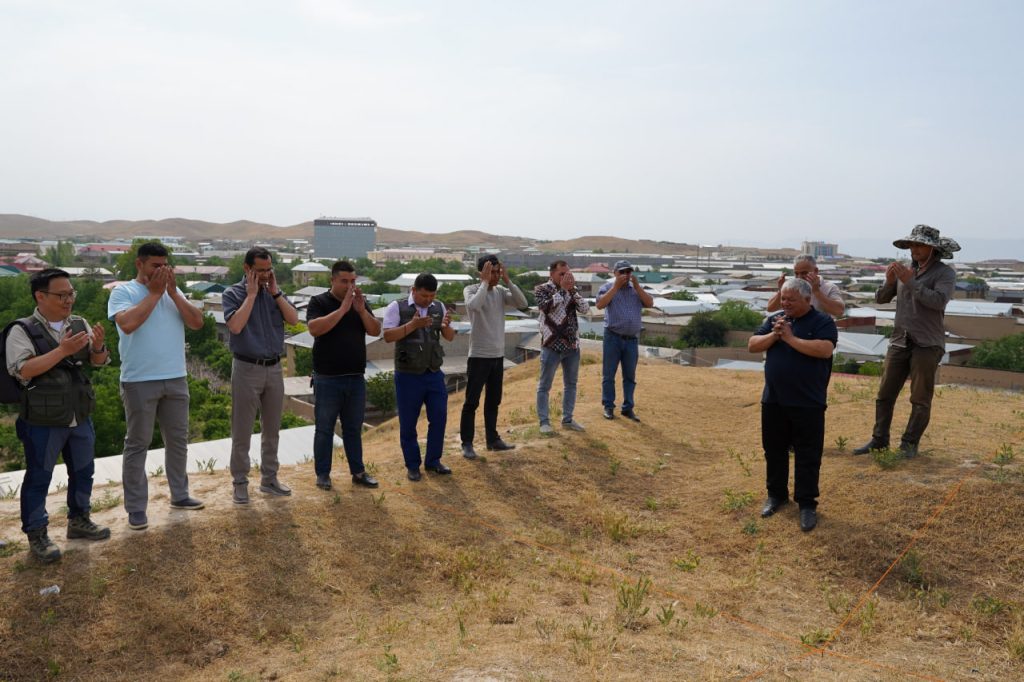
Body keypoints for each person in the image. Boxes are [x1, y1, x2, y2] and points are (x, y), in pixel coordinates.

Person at [5, 269, 112, 563]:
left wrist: (98, 347)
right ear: (40, 296)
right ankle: (37, 533)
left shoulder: (78, 323)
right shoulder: (22, 330)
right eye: (61, 295)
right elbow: (23, 369)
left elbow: (98, 362)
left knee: (83, 471)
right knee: (39, 477)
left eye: (71, 294)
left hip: (79, 413)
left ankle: (79, 520)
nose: (68, 300)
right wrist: (62, 350)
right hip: (43, 419)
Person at [108, 242, 206, 531]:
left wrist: (172, 293)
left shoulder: (174, 292)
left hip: (176, 377)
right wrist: (153, 294)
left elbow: (197, 323)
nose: (161, 271)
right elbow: (127, 324)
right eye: (155, 266)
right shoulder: (123, 292)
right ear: (139, 264)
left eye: (165, 265)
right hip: (138, 380)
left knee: (178, 440)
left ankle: (180, 495)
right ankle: (136, 508)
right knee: (138, 443)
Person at [853, 225, 959, 459]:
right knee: (884, 394)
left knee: (920, 398)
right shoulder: (906, 270)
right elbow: (881, 299)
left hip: (927, 343)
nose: (914, 249)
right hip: (900, 340)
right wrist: (889, 281)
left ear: (933, 248)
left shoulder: (945, 273)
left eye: (920, 245)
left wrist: (910, 281)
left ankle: (909, 445)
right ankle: (879, 440)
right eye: (912, 244)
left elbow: (938, 301)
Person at [748, 277, 838, 532]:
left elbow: (824, 349)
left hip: (808, 402)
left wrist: (789, 339)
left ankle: (807, 504)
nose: (785, 303)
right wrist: (774, 335)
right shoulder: (775, 320)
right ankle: (776, 495)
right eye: (783, 298)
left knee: (808, 455)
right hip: (774, 399)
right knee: (774, 450)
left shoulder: (822, 321)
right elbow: (752, 345)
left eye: (791, 300)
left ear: (808, 300)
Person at [222, 247, 299, 504]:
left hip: (274, 368)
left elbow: (293, 319)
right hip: (247, 368)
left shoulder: (275, 292)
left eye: (269, 269)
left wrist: (275, 293)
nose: (266, 275)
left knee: (272, 429)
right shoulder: (232, 293)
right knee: (242, 430)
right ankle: (240, 482)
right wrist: (252, 295)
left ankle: (269, 479)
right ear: (247, 268)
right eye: (260, 270)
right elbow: (235, 326)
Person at [307, 260, 382, 491]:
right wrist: (342, 310)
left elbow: (375, 330)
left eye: (352, 281)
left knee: (353, 429)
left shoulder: (361, 303)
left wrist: (360, 310)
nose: (349, 286)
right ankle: (323, 475)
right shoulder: (319, 301)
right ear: (332, 280)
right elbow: (314, 329)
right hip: (327, 378)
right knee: (324, 429)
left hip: (355, 378)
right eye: (344, 281)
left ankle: (358, 473)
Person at [382, 273, 456, 480]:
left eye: (432, 295)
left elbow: (449, 337)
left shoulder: (438, 307)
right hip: (408, 375)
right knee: (408, 423)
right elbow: (387, 336)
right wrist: (412, 325)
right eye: (424, 295)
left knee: (439, 418)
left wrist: (446, 326)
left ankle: (433, 461)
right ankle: (413, 466)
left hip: (433, 373)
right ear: (413, 290)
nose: (428, 300)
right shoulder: (397, 307)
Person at [460, 255, 527, 459]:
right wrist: (484, 282)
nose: (496, 276)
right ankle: (467, 443)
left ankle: (492, 440)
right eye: (492, 272)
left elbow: (522, 303)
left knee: (493, 401)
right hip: (479, 355)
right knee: (471, 402)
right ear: (481, 273)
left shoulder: (500, 292)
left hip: (497, 356)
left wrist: (508, 280)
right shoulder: (471, 289)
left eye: (498, 272)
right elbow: (474, 306)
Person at [535, 260, 590, 434]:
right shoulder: (542, 289)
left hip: (572, 345)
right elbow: (545, 307)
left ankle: (568, 419)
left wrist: (572, 291)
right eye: (562, 274)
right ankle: (544, 422)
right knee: (544, 386)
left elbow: (585, 309)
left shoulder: (572, 291)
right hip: (551, 345)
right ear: (551, 274)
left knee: (571, 384)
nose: (566, 277)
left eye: (568, 274)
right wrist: (563, 291)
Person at [595, 259, 654, 421]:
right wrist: (615, 287)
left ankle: (628, 408)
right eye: (622, 272)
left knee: (630, 376)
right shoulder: (607, 288)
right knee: (609, 375)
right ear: (615, 273)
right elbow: (600, 305)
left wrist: (638, 286)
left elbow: (649, 303)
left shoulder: (636, 290)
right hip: (612, 337)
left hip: (631, 340)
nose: (625, 275)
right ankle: (608, 406)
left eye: (628, 272)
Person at [766, 255, 845, 318]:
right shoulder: (792, 287)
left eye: (804, 273)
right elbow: (770, 308)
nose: (799, 277)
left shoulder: (829, 287)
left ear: (816, 271)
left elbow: (839, 311)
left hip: (818, 330)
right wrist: (781, 291)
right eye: (796, 273)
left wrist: (817, 292)